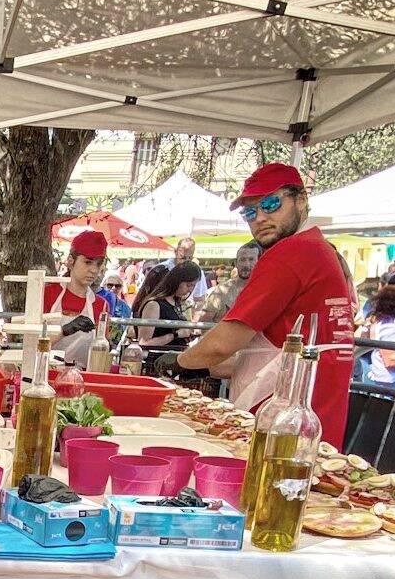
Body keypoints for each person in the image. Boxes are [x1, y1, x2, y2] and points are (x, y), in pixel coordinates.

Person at [173, 163, 356, 448]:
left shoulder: (292, 252)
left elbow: (225, 341)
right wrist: (202, 366)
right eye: (250, 211)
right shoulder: (321, 250)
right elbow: (266, 351)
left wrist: (178, 361)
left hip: (282, 425)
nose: (260, 218)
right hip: (318, 421)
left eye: (271, 203)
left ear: (301, 200)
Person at [44, 229, 112, 365]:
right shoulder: (47, 294)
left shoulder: (101, 305)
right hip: (46, 375)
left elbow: (102, 353)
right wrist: (64, 331)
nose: (94, 270)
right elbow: (32, 345)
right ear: (70, 261)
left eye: (98, 264)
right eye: (88, 262)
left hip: (83, 377)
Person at [134, 262, 200, 355]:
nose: (190, 289)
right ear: (177, 281)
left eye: (193, 285)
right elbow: (143, 343)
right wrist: (176, 335)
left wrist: (186, 335)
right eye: (188, 285)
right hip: (157, 361)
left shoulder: (176, 302)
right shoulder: (154, 305)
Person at [200, 241, 259, 323]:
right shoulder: (221, 291)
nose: (246, 264)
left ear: (259, 262)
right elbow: (203, 323)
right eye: (242, 260)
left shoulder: (266, 290)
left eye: (251, 259)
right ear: (236, 263)